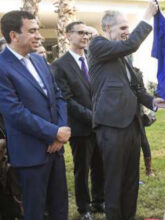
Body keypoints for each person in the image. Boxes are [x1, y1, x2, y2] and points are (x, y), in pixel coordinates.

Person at [88, 1, 165, 219]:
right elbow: (132, 43)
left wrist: (155, 102)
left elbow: (136, 88)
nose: (127, 32)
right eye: (123, 28)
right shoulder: (97, 45)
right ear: (107, 28)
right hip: (111, 127)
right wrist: (147, 16)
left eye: (128, 28)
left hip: (133, 125)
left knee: (131, 181)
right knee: (114, 182)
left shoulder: (123, 56)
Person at [0, 10, 70, 220]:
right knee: (35, 212)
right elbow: (14, 112)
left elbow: (59, 97)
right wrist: (53, 132)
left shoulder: (40, 61)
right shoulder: (2, 67)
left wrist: (61, 131)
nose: (39, 35)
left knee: (60, 208)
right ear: (14, 35)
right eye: (32, 31)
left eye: (38, 29)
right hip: (30, 155)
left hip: (55, 151)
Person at [51, 21, 105, 220]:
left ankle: (100, 201)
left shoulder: (92, 60)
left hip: (101, 125)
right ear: (68, 36)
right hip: (81, 127)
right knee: (82, 169)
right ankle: (85, 209)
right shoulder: (59, 65)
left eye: (87, 34)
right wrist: (92, 116)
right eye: (80, 33)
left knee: (100, 166)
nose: (85, 37)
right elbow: (66, 99)